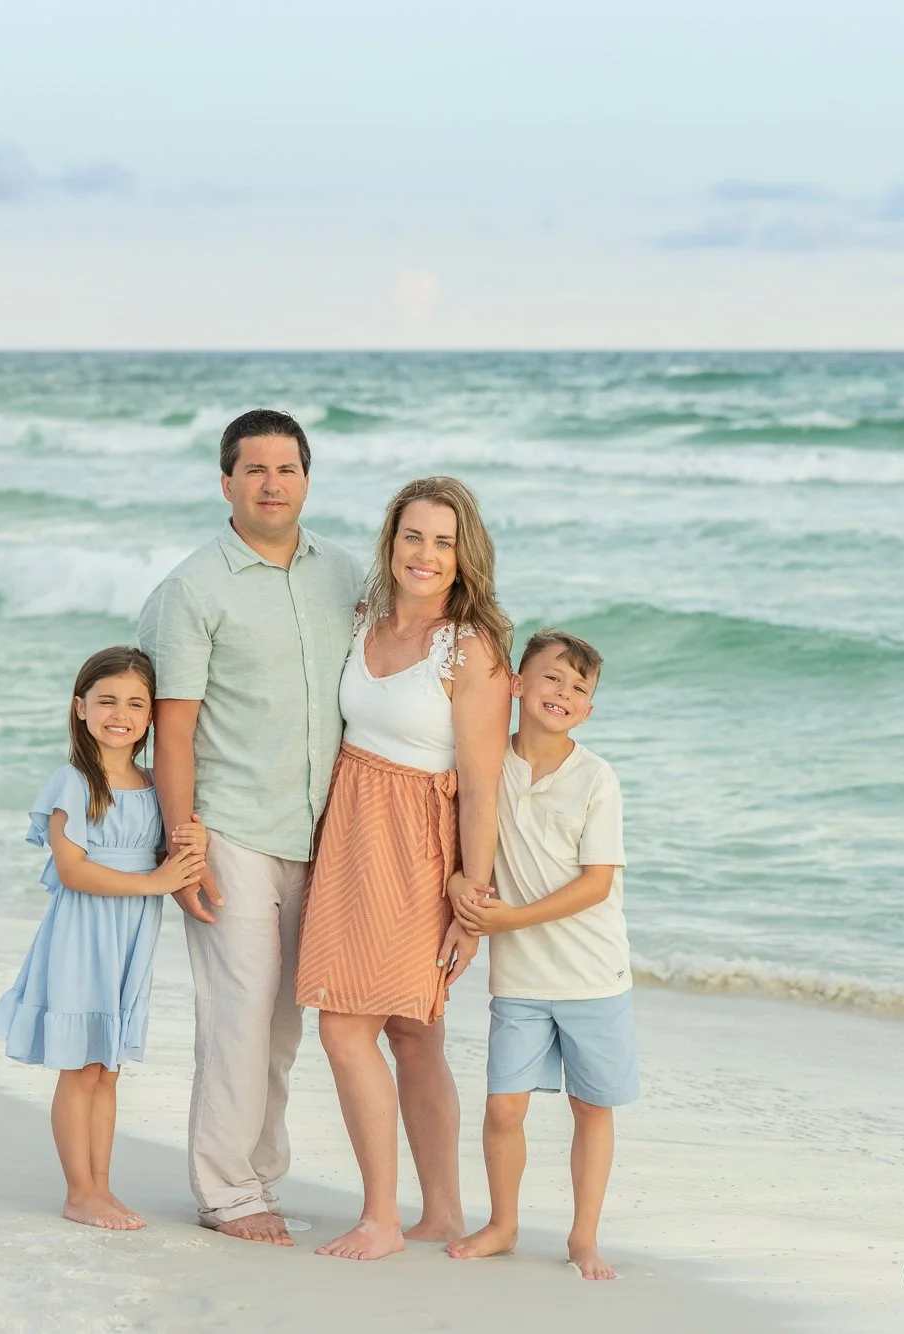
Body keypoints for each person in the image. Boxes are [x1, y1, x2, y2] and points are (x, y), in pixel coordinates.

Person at [136, 410, 363, 1245]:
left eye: (288, 469)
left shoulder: (341, 574)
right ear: (225, 481)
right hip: (230, 826)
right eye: (255, 469)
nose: (273, 484)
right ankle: (225, 1190)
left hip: (322, 830)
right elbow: (175, 725)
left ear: (308, 478)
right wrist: (183, 843)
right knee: (238, 1010)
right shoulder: (193, 588)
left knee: (282, 1021)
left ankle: (260, 1175)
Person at [295, 475, 513, 1261]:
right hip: (350, 830)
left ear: (465, 557)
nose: (426, 555)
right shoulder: (363, 619)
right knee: (412, 1031)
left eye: (443, 542)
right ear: (391, 541)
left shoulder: (473, 649)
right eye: (413, 537)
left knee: (346, 1026)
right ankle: (444, 1213)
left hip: (419, 849)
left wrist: (473, 900)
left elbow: (483, 783)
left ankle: (381, 1217)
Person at [0, 646, 209, 1231]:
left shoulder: (153, 782)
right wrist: (156, 880)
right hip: (83, 935)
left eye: (137, 703)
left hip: (131, 935)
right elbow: (72, 870)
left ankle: (103, 1187)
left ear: (152, 717)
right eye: (107, 700)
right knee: (80, 1066)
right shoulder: (75, 782)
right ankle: (78, 1191)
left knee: (107, 1066)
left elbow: (165, 849)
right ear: (80, 707)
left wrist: (192, 848)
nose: (122, 713)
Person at [445, 629, 634, 1280]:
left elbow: (597, 883)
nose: (565, 693)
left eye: (580, 688)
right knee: (504, 1106)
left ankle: (584, 1237)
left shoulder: (596, 779)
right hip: (520, 977)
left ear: (588, 710)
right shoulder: (488, 760)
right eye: (552, 678)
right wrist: (456, 887)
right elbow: (457, 839)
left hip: (592, 973)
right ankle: (503, 1223)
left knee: (591, 1106)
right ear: (518, 684)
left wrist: (511, 919)